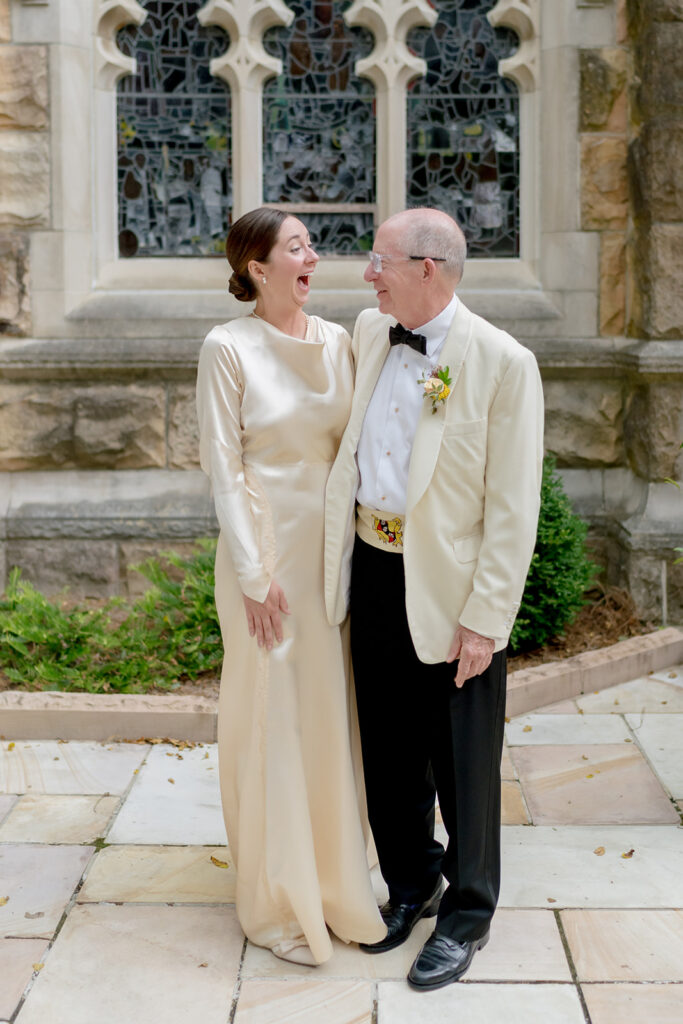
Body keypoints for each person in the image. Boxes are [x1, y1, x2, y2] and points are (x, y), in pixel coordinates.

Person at [324, 207, 544, 991]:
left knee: (463, 760)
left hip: (453, 590)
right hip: (372, 566)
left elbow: (514, 507)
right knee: (386, 746)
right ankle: (411, 881)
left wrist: (485, 619)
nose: (366, 274)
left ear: (427, 268)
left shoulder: (503, 362)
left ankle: (467, 914)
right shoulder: (365, 330)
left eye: (379, 260)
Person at [196, 207, 386, 966]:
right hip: (264, 558)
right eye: (297, 246)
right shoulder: (226, 347)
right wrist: (251, 573)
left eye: (311, 244)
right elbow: (223, 465)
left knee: (326, 715)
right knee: (272, 714)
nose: (313, 255)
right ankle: (277, 900)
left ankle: (337, 882)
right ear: (255, 268)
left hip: (330, 557)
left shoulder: (339, 342)